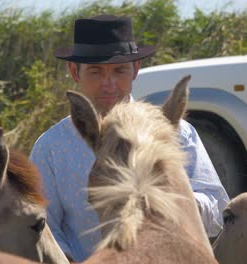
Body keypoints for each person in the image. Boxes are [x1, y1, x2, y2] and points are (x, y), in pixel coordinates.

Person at [29, 14, 229, 262]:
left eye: (119, 70)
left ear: (135, 69)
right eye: (96, 71)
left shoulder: (179, 132)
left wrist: (167, 199)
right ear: (74, 71)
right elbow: (46, 230)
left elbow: (217, 212)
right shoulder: (51, 148)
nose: (109, 84)